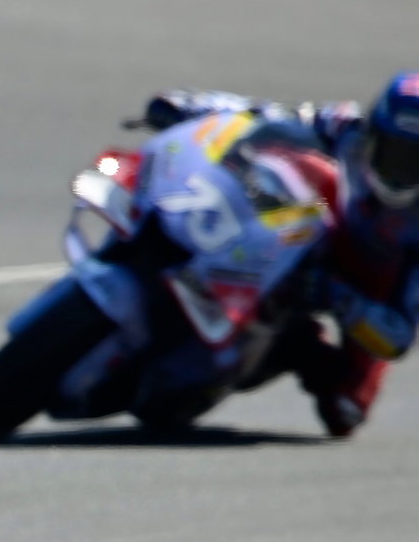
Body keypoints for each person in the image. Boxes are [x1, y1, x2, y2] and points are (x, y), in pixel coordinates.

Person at [139, 71, 419, 436]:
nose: (401, 172)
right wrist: (194, 107)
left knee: (345, 410)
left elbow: (398, 335)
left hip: (360, 289)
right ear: (372, 133)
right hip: (299, 233)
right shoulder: (344, 127)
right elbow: (264, 115)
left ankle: (294, 346)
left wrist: (336, 294)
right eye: (396, 152)